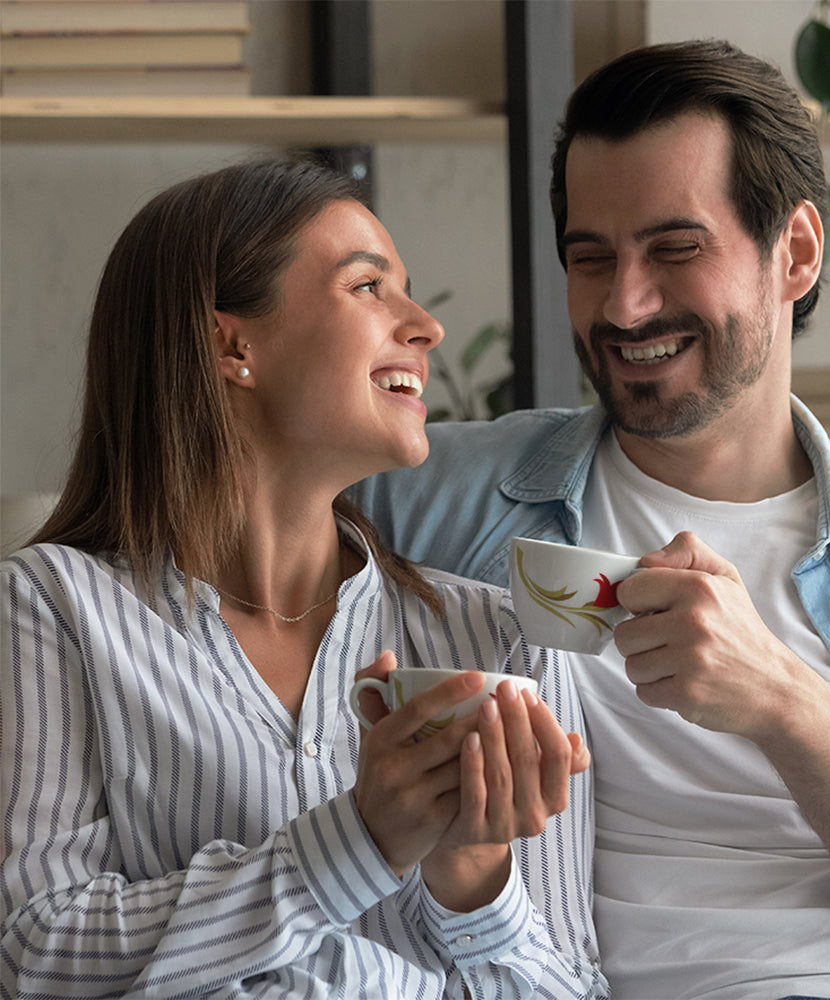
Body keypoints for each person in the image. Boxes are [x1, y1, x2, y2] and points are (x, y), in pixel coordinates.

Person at [351, 40, 830, 1000]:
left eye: (675, 249)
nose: (625, 304)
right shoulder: (426, 490)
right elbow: (190, 511)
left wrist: (781, 698)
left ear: (798, 252)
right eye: (591, 258)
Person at [0, 157, 610, 999]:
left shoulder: (503, 640)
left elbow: (573, 989)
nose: (426, 326)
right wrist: (358, 840)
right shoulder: (52, 608)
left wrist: (474, 878)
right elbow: (37, 953)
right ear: (233, 345)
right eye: (368, 288)